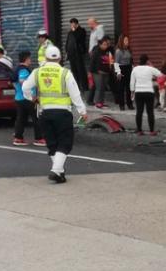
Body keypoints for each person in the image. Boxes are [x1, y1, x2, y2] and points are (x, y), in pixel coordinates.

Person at [22, 45, 88, 184]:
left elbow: (25, 87)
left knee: (52, 144)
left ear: (45, 58)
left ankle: (59, 172)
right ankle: (56, 170)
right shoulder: (65, 73)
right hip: (63, 113)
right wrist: (82, 111)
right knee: (65, 143)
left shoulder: (37, 72)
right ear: (59, 58)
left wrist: (31, 98)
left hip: (44, 113)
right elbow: (75, 94)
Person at [12, 51, 45, 147]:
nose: (31, 60)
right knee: (37, 118)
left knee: (21, 119)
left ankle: (18, 138)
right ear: (26, 59)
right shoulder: (24, 70)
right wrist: (32, 96)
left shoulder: (17, 69)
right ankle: (39, 138)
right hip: (28, 99)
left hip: (19, 98)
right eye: (30, 58)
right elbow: (23, 82)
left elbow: (14, 82)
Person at [131, 53, 163, 135]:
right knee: (150, 112)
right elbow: (160, 75)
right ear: (147, 61)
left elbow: (132, 82)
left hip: (138, 92)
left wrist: (132, 91)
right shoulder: (150, 68)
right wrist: (151, 66)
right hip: (149, 92)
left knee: (139, 112)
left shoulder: (135, 69)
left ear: (139, 60)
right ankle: (152, 131)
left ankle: (139, 130)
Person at [88, 37, 113, 108]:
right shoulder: (96, 52)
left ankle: (101, 102)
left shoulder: (108, 51)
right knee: (99, 88)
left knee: (103, 88)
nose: (106, 46)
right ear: (100, 45)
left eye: (106, 45)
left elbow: (111, 61)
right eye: (104, 44)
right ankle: (97, 102)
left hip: (106, 73)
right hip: (98, 73)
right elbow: (92, 63)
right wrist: (90, 72)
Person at [64, 17, 88, 92]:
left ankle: (85, 87)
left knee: (81, 71)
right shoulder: (70, 32)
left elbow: (78, 39)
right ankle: (77, 87)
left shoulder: (82, 31)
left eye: (72, 23)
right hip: (71, 55)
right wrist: (66, 52)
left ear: (76, 23)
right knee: (74, 71)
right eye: (70, 24)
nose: (71, 25)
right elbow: (67, 42)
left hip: (78, 54)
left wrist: (74, 31)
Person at [115, 34, 134, 111]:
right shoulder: (118, 51)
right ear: (121, 41)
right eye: (125, 40)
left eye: (127, 40)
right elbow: (116, 63)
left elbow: (131, 61)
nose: (127, 42)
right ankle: (121, 105)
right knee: (121, 88)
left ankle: (129, 104)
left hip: (128, 68)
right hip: (121, 69)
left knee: (129, 88)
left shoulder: (128, 50)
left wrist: (133, 68)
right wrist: (118, 72)